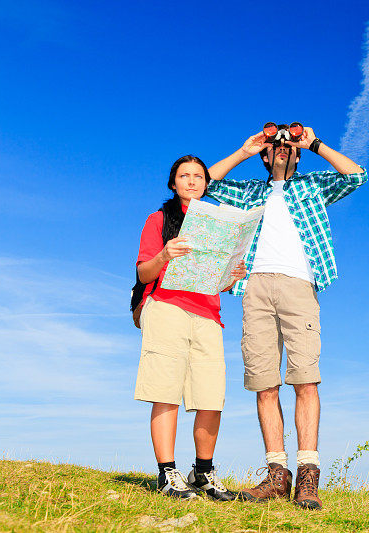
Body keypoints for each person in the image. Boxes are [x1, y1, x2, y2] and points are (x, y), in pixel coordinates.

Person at [206, 124, 367, 510]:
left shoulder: (312, 186)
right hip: (254, 288)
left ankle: (308, 475)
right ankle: (277, 475)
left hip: (300, 285)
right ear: (265, 155)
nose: (280, 149)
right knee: (264, 382)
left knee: (305, 379)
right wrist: (245, 150)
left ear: (295, 153)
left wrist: (313, 143)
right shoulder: (249, 192)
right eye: (274, 147)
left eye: (286, 146)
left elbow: (357, 175)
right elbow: (206, 185)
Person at [134, 154, 246, 500]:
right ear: (174, 183)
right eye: (185, 175)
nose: (193, 181)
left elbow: (217, 280)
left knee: (211, 395)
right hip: (166, 305)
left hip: (208, 313)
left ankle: (203, 472)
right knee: (165, 390)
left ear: (206, 183)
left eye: (199, 176)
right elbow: (144, 273)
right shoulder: (160, 219)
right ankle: (167, 474)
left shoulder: (220, 223)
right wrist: (165, 255)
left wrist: (232, 277)